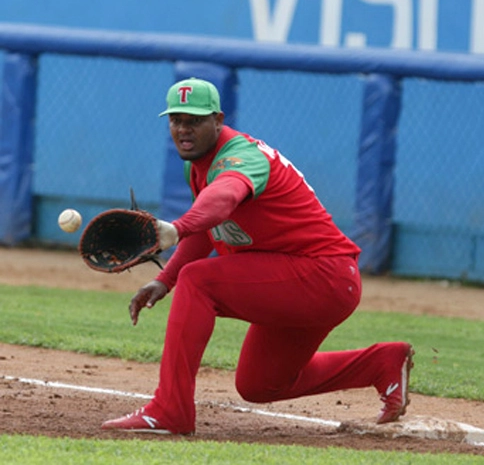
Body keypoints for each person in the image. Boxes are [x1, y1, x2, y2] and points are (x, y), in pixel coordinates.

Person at [101, 78, 414, 435]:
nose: (183, 129)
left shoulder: (241, 157)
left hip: (322, 275)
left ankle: (170, 408)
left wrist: (177, 228)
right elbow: (209, 228)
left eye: (195, 120)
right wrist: (164, 278)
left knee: (199, 281)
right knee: (260, 384)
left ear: (218, 120)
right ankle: (381, 364)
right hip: (298, 278)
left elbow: (224, 198)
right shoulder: (198, 165)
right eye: (176, 120)